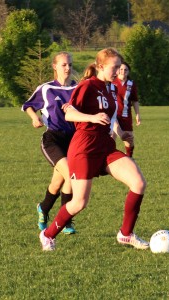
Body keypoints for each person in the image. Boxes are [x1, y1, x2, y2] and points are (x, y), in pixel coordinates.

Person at [39, 47, 149, 251]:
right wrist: (91, 117)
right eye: (114, 67)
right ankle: (47, 234)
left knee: (139, 183)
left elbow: (110, 117)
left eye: (119, 67)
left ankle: (126, 234)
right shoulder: (87, 86)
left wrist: (122, 132)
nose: (117, 71)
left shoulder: (111, 88)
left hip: (105, 146)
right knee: (79, 202)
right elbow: (70, 114)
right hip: (84, 147)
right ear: (100, 66)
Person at [22, 51, 77, 234]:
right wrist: (34, 118)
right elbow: (27, 105)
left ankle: (43, 209)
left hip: (74, 140)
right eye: (63, 65)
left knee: (56, 182)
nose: (68, 68)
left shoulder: (78, 88)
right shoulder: (46, 89)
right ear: (55, 67)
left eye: (69, 64)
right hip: (52, 139)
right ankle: (67, 220)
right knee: (71, 173)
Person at [113, 62, 141, 157]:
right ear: (117, 71)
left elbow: (135, 101)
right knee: (111, 137)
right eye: (121, 69)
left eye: (125, 70)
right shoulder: (111, 82)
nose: (123, 71)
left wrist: (137, 114)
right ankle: (109, 159)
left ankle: (129, 156)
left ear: (128, 72)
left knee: (129, 139)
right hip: (113, 115)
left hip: (125, 115)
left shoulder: (131, 84)